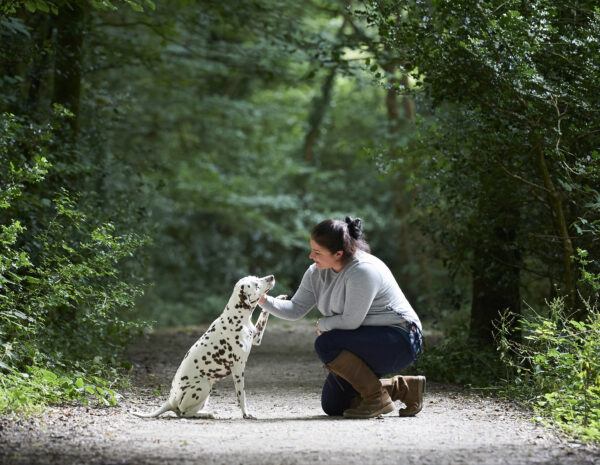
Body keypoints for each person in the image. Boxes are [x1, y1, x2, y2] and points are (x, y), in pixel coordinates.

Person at [258, 216, 425, 419]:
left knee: (327, 343)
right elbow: (295, 308)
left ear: (338, 253)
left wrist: (323, 323)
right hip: (366, 338)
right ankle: (404, 388)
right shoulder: (316, 273)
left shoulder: (363, 271)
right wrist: (263, 300)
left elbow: (350, 321)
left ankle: (376, 398)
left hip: (400, 339)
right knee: (334, 405)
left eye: (317, 252)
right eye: (312, 249)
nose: (311, 256)